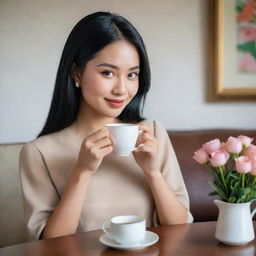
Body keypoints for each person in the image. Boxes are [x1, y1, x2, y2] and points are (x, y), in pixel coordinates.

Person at [19, 11, 193, 240]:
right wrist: (82, 172)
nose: (122, 89)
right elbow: (50, 245)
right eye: (108, 73)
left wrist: (152, 172)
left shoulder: (152, 133)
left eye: (132, 75)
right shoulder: (39, 153)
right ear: (77, 73)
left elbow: (181, 228)